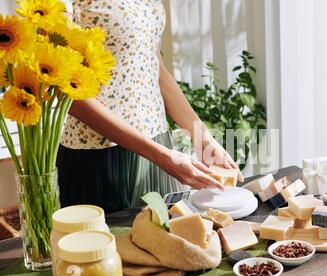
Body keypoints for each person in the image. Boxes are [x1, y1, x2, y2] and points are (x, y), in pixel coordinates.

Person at [57, 0, 243, 213]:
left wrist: (202, 138)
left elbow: (154, 65)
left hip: (158, 144)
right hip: (102, 157)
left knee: (164, 240)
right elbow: (71, 99)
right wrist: (160, 156)